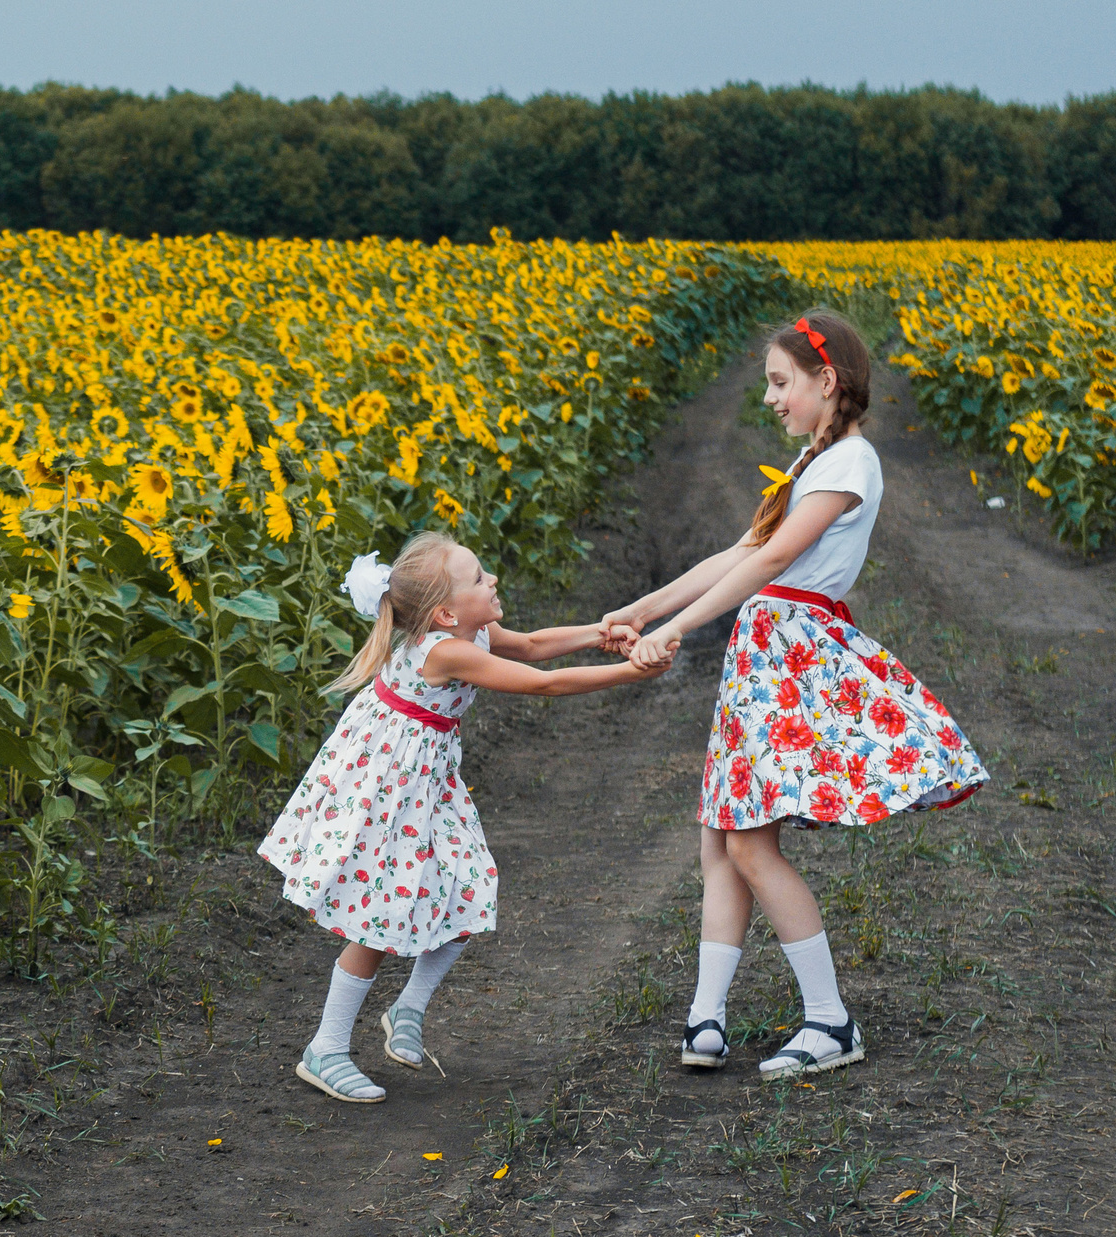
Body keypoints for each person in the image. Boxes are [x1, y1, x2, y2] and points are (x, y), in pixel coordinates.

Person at [604, 310, 988, 1081]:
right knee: (722, 835)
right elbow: (744, 549)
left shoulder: (851, 462)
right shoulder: (814, 463)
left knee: (749, 841)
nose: (772, 399)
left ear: (827, 380)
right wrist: (645, 609)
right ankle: (706, 1019)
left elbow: (777, 554)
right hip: (764, 654)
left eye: (782, 383)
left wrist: (675, 630)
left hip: (791, 655)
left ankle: (830, 1019)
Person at [260, 531, 671, 1103]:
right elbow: (543, 684)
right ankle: (325, 1048)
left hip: (425, 781)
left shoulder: (469, 630)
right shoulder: (444, 650)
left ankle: (407, 1007)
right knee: (378, 917)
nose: (493, 579)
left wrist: (603, 634)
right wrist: (633, 673)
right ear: (446, 611)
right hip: (387, 788)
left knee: (469, 887)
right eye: (479, 577)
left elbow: (528, 646)